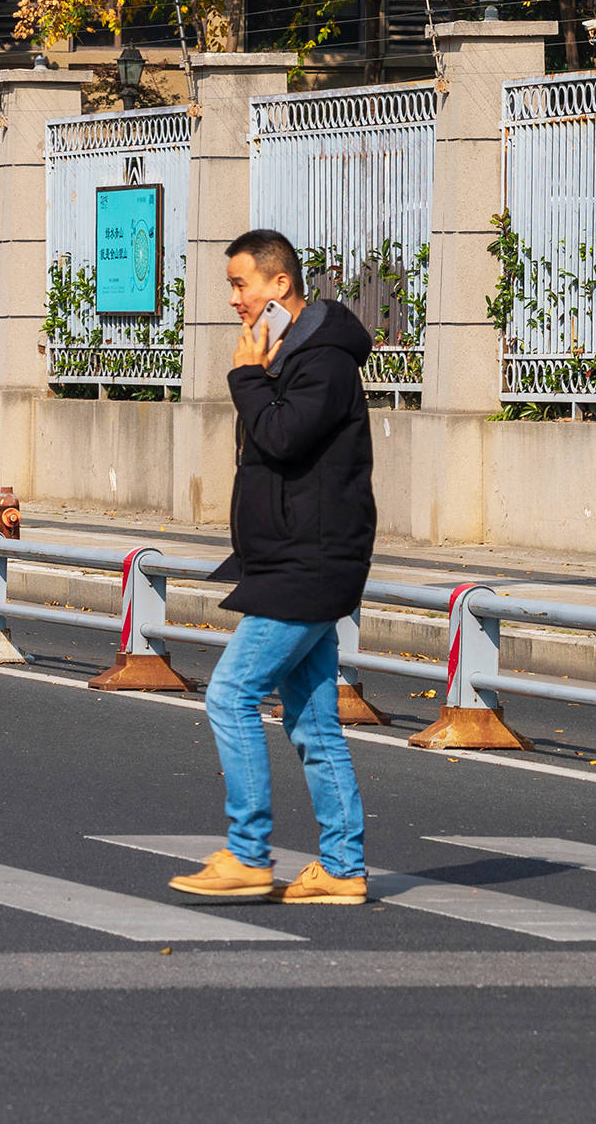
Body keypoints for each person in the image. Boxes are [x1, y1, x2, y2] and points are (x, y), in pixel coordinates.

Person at [169, 228, 376, 906]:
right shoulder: (288, 354)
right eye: (231, 286)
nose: (234, 299)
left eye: (241, 284)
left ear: (279, 284)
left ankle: (248, 853)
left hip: (307, 566)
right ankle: (342, 868)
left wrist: (245, 378)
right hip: (293, 561)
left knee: (229, 696)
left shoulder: (324, 362)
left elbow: (282, 437)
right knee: (313, 723)